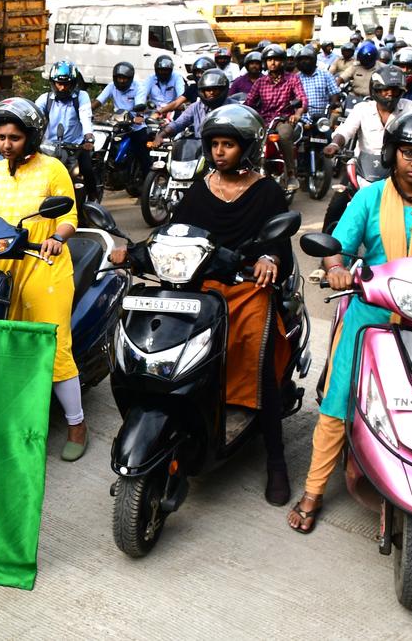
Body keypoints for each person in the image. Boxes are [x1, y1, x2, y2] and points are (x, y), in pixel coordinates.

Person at [288, 109, 412, 537]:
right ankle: (314, 491)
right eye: (408, 153)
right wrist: (337, 266)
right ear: (394, 153)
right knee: (339, 399)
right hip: (373, 310)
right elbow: (339, 243)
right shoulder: (370, 197)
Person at [117, 104, 293, 503]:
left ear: (246, 148)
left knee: (257, 360)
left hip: (248, 288)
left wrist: (270, 258)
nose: (219, 152)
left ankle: (277, 462)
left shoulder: (266, 191)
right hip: (201, 286)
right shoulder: (201, 187)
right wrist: (135, 252)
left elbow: (279, 240)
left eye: (228, 145)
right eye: (214, 144)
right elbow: (172, 231)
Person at [0, 98, 89, 460]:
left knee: (55, 347)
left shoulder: (52, 168)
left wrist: (58, 238)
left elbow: (70, 214)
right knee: (4, 345)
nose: (7, 144)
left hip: (45, 265)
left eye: (15, 137)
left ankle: (76, 425)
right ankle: (14, 419)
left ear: (31, 138)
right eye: (1, 137)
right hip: (2, 267)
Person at [321, 66, 412, 233]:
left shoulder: (410, 109)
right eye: (385, 90)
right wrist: (335, 144)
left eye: (395, 90)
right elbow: (345, 130)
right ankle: (326, 249)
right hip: (363, 168)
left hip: (398, 167)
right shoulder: (362, 109)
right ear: (375, 90)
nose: (390, 94)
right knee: (336, 206)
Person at [246, 44, 308, 190]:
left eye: (276, 59)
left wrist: (297, 114)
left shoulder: (292, 79)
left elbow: (302, 100)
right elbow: (249, 101)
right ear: (265, 63)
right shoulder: (260, 82)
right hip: (262, 121)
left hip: (283, 119)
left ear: (283, 61)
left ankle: (292, 174)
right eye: (269, 60)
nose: (272, 63)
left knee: (285, 135)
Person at [36, 60, 98, 201]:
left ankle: (93, 199)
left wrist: (88, 137)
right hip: (49, 149)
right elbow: (34, 117)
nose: (62, 88)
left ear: (73, 83)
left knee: (87, 169)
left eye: (66, 84)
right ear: (53, 83)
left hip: (75, 147)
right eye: (59, 84)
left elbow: (85, 116)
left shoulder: (81, 97)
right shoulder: (44, 99)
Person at [92, 62, 150, 181]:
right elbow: (99, 101)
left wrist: (139, 114)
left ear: (130, 78)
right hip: (118, 123)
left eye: (124, 78)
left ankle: (146, 182)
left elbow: (140, 103)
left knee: (142, 152)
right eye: (119, 78)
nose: (121, 81)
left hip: (135, 125)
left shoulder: (139, 87)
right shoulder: (111, 86)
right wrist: (85, 111)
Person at [152, 69, 230, 146]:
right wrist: (161, 135)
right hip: (201, 150)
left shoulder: (233, 107)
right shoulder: (196, 107)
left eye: (215, 89)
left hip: (225, 149)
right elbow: (178, 123)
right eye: (208, 89)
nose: (211, 92)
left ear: (222, 89)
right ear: (202, 91)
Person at [295, 46, 341, 118]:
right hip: (301, 118)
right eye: (300, 60)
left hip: (322, 118)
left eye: (306, 59)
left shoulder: (325, 75)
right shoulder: (296, 78)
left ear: (313, 60)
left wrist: (332, 105)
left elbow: (334, 93)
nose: (303, 62)